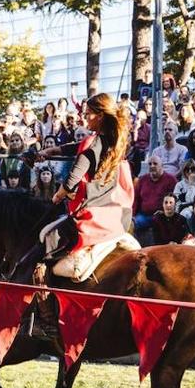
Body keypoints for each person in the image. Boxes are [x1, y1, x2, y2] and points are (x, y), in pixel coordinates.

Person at [36, 93, 135, 280]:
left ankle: (46, 298)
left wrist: (57, 196)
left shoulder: (92, 143)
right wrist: (51, 151)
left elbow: (72, 179)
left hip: (93, 216)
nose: (84, 117)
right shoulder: (115, 142)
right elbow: (78, 147)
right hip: (117, 214)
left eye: (88, 113)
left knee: (47, 239)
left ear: (100, 116)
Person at [131, 155, 177, 244]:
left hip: (162, 215)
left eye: (155, 164)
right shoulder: (143, 179)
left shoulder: (171, 180)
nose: (152, 166)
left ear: (162, 165)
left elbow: (174, 200)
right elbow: (136, 199)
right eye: (150, 164)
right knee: (131, 224)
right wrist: (132, 215)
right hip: (143, 215)